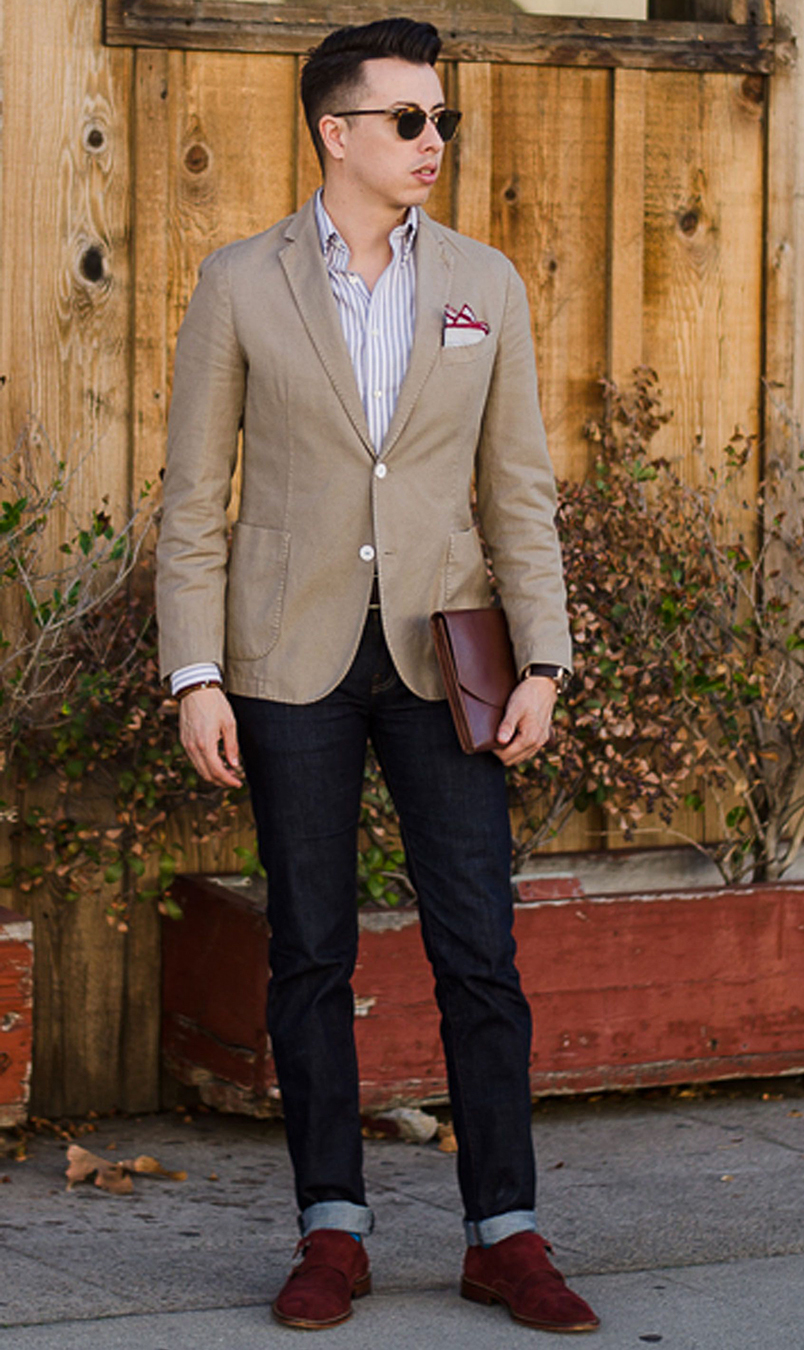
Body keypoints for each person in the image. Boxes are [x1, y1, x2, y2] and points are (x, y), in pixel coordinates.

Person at [155, 16, 598, 1334]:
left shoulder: (483, 284)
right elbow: (192, 499)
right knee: (308, 945)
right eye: (408, 120)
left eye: (441, 119)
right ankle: (330, 1226)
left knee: (478, 944)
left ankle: (502, 1230)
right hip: (286, 657)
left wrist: (545, 657)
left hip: (442, 652)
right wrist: (195, 670)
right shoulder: (239, 283)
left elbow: (516, 489)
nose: (433, 142)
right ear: (332, 133)